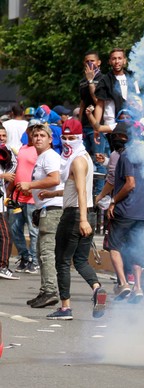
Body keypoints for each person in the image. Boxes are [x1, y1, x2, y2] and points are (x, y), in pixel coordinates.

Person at [43, 119, 107, 320]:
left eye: (73, 138)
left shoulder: (78, 161)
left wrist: (82, 220)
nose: (68, 142)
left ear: (80, 138)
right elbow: (75, 189)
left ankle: (65, 307)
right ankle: (97, 289)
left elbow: (80, 191)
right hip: (84, 212)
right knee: (79, 259)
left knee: (62, 260)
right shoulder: (84, 157)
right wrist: (51, 194)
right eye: (65, 138)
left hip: (75, 215)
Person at [16, 122, 64, 308]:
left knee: (46, 252)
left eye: (42, 135)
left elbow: (54, 179)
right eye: (35, 135)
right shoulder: (42, 156)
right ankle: (45, 290)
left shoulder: (49, 156)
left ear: (50, 139)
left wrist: (30, 186)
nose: (38, 138)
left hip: (52, 210)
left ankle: (50, 291)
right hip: (46, 208)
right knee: (42, 251)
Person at [106, 121, 144, 302]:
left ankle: (123, 284)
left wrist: (113, 201)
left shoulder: (125, 156)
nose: (117, 139)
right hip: (141, 211)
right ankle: (138, 287)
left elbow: (130, 183)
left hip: (125, 209)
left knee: (114, 246)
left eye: (120, 136)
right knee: (136, 249)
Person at [8, 121, 40, 274]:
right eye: (32, 130)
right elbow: (17, 171)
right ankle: (25, 256)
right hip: (18, 196)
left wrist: (33, 187)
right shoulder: (22, 148)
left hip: (33, 198)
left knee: (34, 231)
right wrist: (10, 191)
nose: (34, 133)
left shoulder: (42, 151)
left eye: (38, 130)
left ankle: (34, 260)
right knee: (14, 229)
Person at [0, 128, 18, 280]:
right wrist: (2, 175)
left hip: (2, 200)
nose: (2, 138)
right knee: (6, 235)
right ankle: (3, 266)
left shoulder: (6, 151)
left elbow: (12, 169)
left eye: (4, 135)